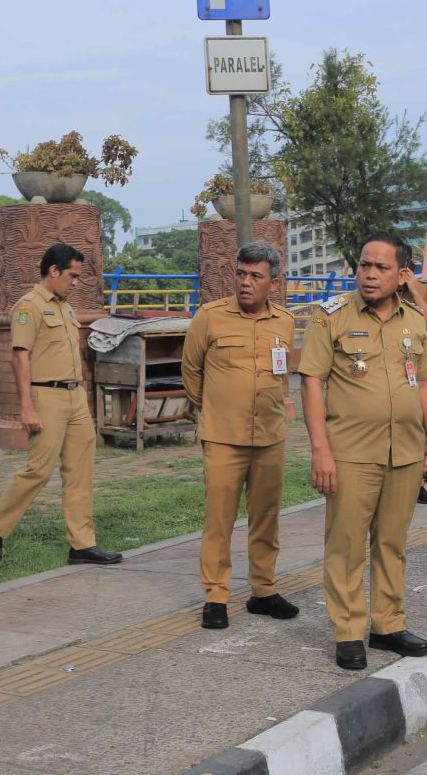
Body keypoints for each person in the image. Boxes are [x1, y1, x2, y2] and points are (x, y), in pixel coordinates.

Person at [299, 232, 427, 670]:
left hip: (404, 452)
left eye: (381, 267)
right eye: (365, 265)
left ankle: (387, 626)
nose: (369, 274)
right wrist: (320, 450)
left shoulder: (415, 320)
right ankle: (347, 632)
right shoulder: (330, 316)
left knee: (392, 543)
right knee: (345, 546)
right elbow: (310, 382)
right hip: (350, 453)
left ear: (401, 275)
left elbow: (426, 384)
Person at [0, 243, 121, 567]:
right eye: (71, 275)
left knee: (80, 471)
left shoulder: (65, 307)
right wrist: (25, 407)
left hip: (74, 396)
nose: (75, 282)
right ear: (53, 271)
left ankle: (82, 544)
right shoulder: (30, 307)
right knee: (38, 470)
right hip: (46, 397)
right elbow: (20, 358)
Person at [182, 241, 299, 630]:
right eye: (241, 273)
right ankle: (216, 596)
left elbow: (282, 375)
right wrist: (215, 409)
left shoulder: (284, 321)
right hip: (223, 437)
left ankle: (263, 591)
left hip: (269, 435)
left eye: (256, 276)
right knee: (220, 519)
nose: (245, 282)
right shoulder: (210, 317)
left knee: (266, 518)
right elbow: (191, 371)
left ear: (273, 283)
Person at [399, 264, 427, 505]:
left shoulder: (425, 289)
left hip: (417, 368)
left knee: (425, 426)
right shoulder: (380, 292)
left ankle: (424, 483)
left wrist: (414, 289)